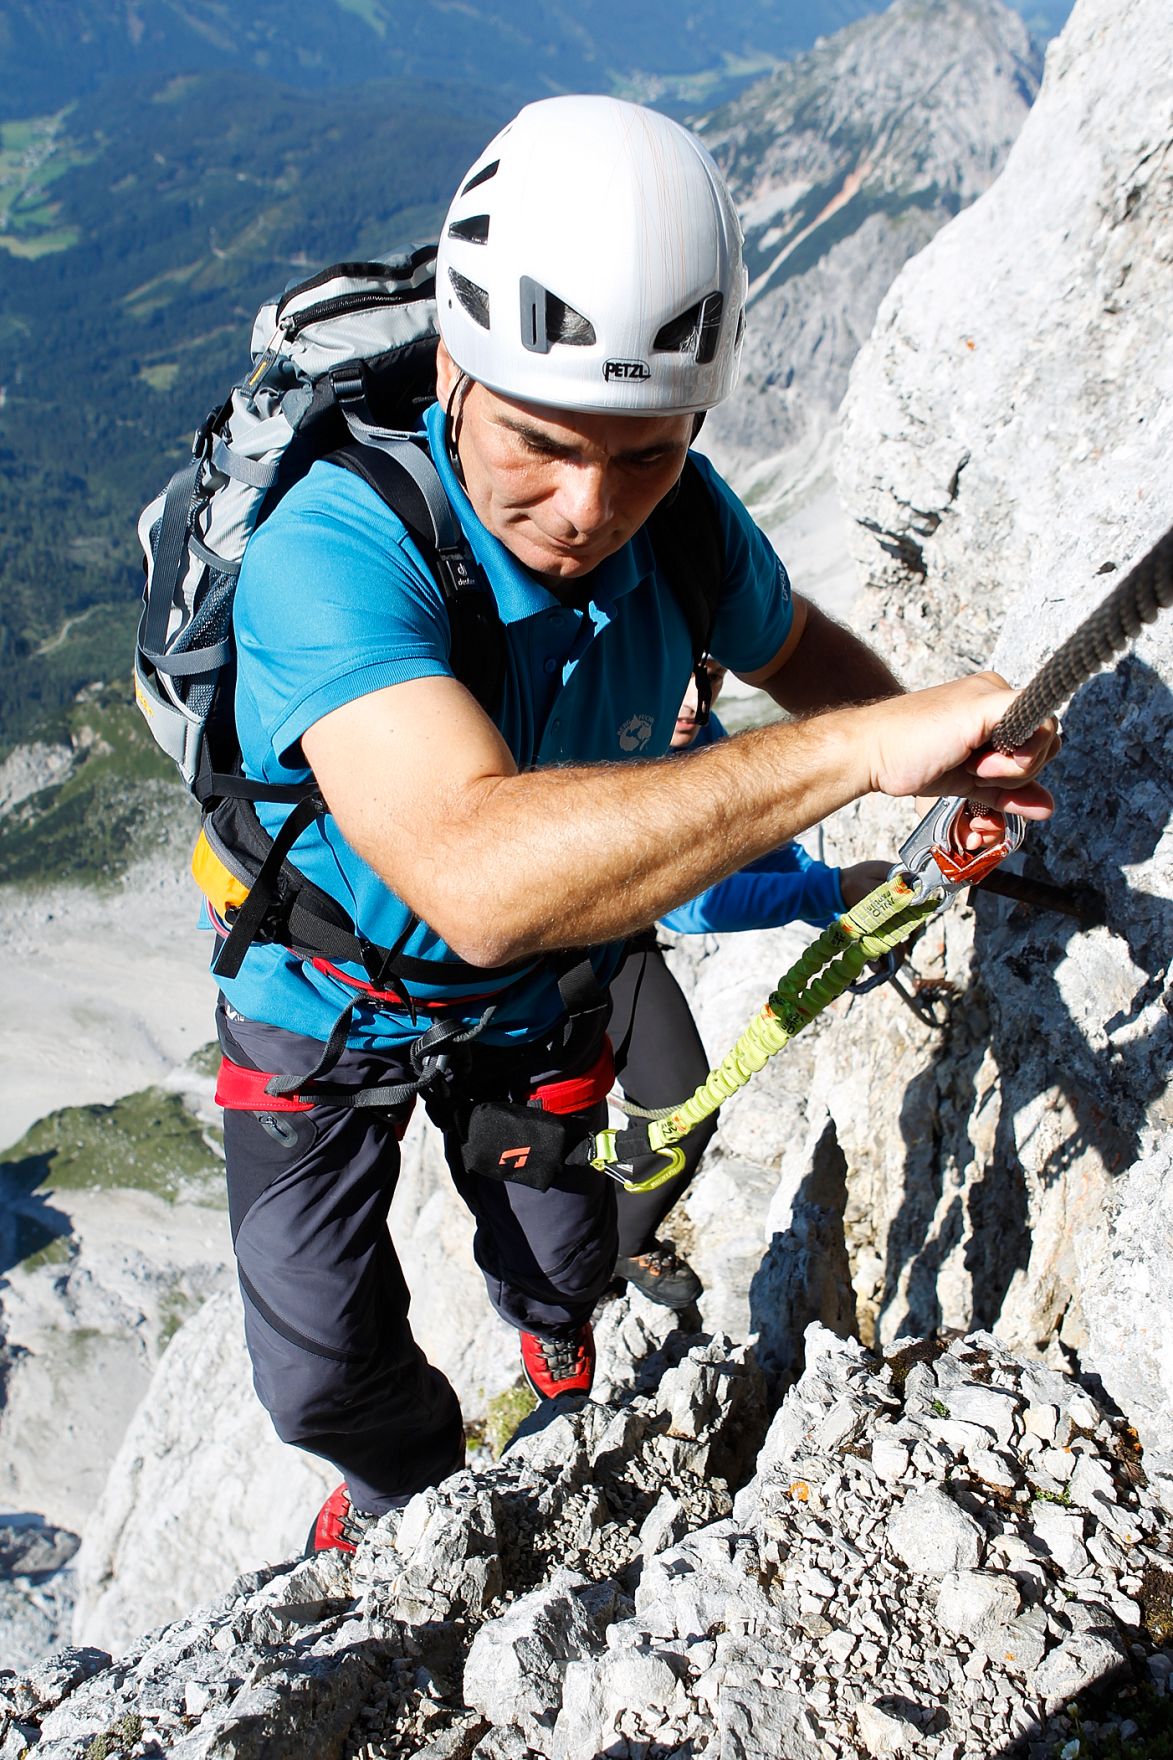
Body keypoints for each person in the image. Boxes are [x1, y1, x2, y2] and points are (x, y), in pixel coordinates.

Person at [212, 94, 1058, 1553]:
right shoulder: (336, 549)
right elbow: (478, 874)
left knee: (562, 1261)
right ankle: (409, 1505)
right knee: (318, 1370)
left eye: (646, 451)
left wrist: (940, 755)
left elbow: (798, 648)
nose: (588, 505)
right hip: (322, 998)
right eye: (540, 442)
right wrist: (858, 750)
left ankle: (549, 1340)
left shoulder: (687, 524)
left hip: (537, 1000)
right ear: (455, 369)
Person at [609, 660, 889, 1309]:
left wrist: (838, 904)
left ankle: (621, 1241)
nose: (691, 699)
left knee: (683, 1111)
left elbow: (760, 840)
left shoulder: (697, 732)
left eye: (705, 675)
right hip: (534, 948)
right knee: (546, 1130)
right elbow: (686, 902)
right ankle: (556, 1283)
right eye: (675, 674)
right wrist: (828, 890)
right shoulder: (612, 730)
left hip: (615, 940)